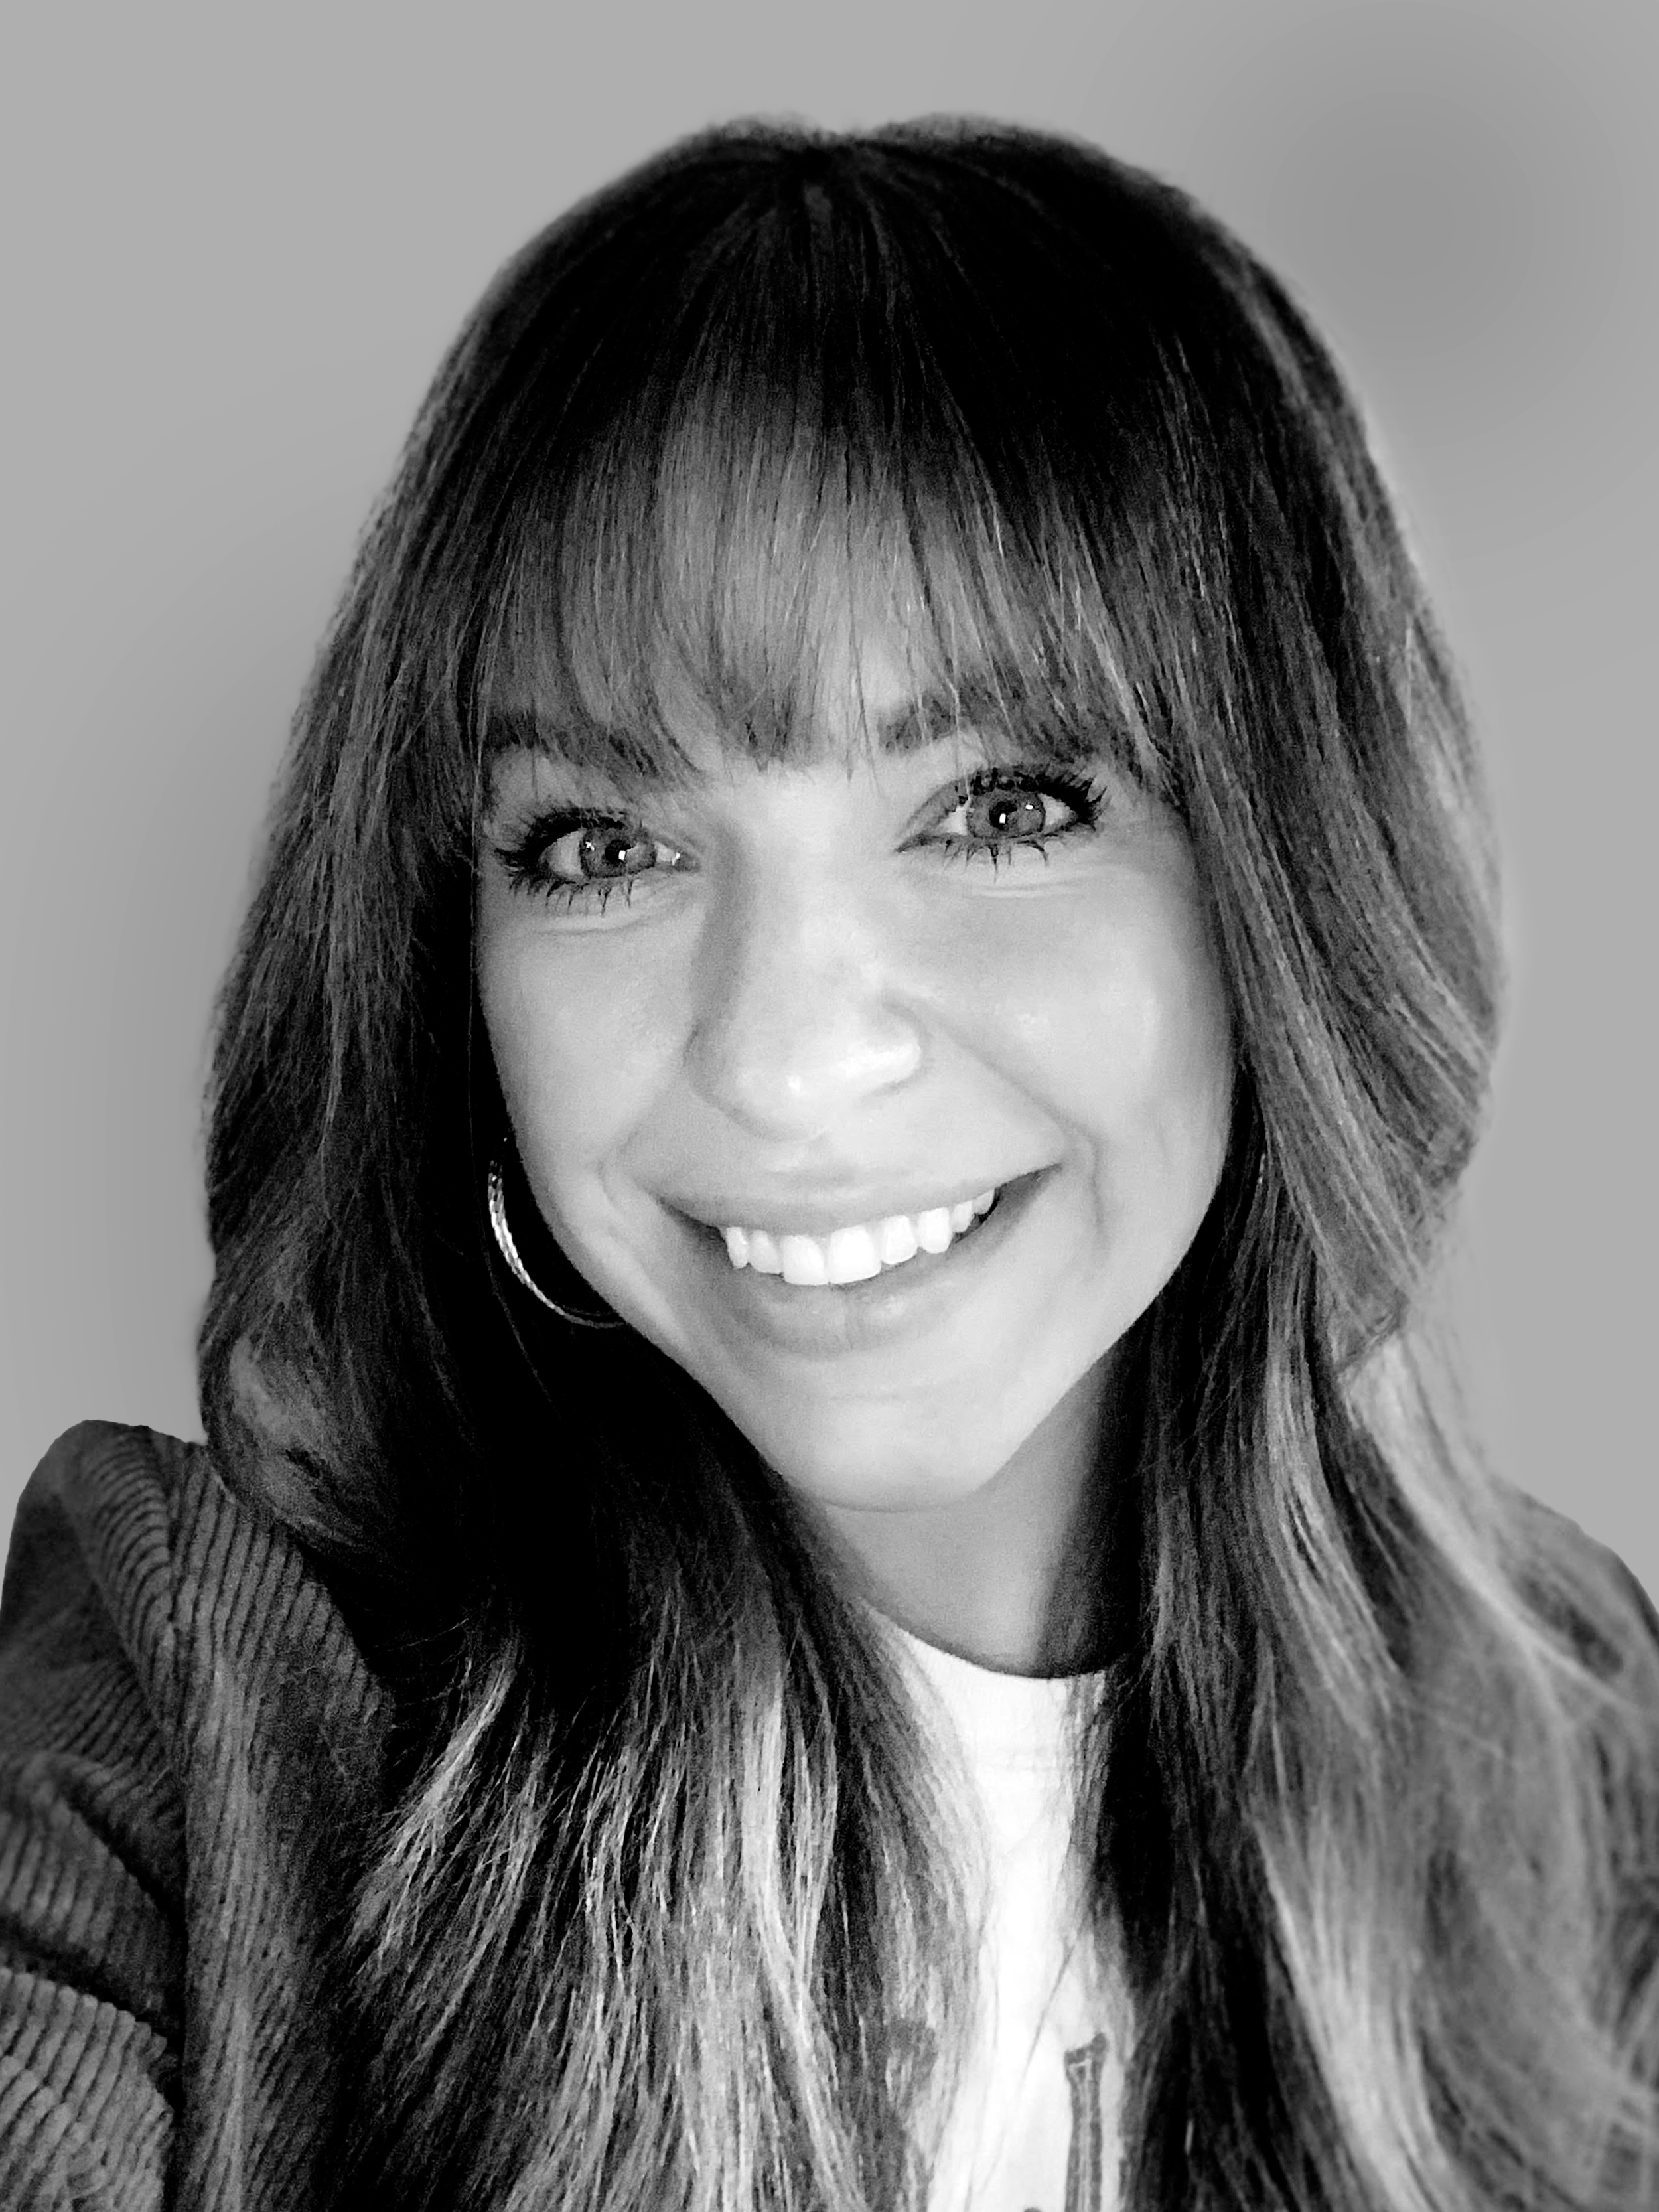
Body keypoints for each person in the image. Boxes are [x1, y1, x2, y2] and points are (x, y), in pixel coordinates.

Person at [0, 116, 1654, 2212]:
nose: (783, 1060)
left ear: (1283, 874)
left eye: (1001, 806)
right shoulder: (200, 1699)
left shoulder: (1570, 1754)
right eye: (601, 847)